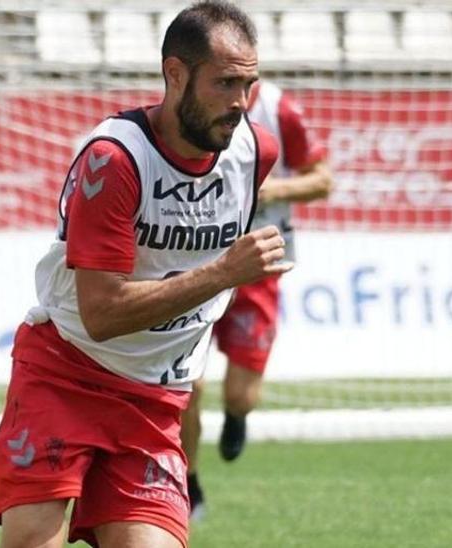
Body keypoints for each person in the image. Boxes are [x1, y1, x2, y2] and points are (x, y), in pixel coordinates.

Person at [0, 2, 284, 547]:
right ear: (175, 74)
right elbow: (102, 314)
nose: (241, 103)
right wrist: (222, 272)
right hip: (66, 373)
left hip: (153, 401)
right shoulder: (115, 160)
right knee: (32, 540)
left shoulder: (254, 152)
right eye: (225, 83)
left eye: (249, 85)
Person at [180, 80, 333, 520]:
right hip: (201, 261)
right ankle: (188, 482)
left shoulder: (280, 108)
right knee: (189, 384)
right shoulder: (190, 103)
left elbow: (323, 180)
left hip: (262, 260)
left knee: (242, 395)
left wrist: (271, 191)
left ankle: (237, 416)